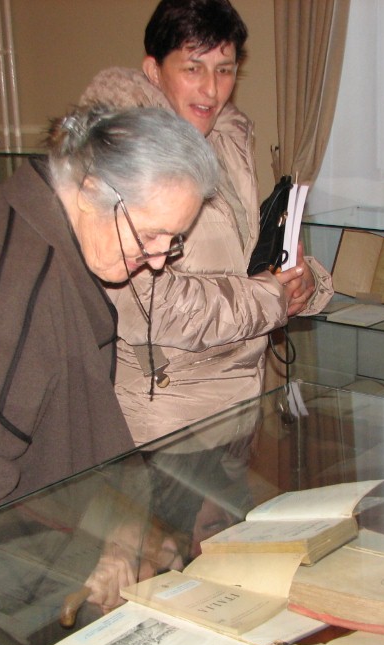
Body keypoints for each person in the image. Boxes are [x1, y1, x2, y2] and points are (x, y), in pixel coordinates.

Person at [0, 105, 221, 559]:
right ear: (90, 190)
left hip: (23, 550)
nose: (159, 260)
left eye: (174, 240)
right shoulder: (11, 280)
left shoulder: (43, 229)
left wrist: (118, 529)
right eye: (149, 236)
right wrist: (79, 566)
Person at [75, 0, 334, 613]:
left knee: (218, 592)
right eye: (193, 68)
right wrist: (270, 299)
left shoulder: (228, 137)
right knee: (150, 594)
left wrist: (303, 282)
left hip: (236, 405)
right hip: (167, 422)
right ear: (153, 69)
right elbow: (151, 306)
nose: (211, 89)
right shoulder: (127, 160)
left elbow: (247, 262)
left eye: (224, 69)